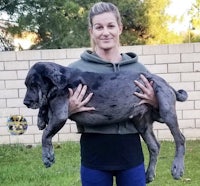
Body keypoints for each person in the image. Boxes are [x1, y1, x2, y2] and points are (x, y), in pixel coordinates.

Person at [68, 2, 158, 186]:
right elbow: (55, 111)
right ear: (91, 31)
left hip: (131, 154)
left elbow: (155, 113)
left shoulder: (138, 69)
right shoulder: (75, 71)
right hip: (94, 155)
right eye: (99, 27)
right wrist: (69, 109)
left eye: (110, 26)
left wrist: (154, 102)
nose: (105, 32)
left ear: (120, 28)